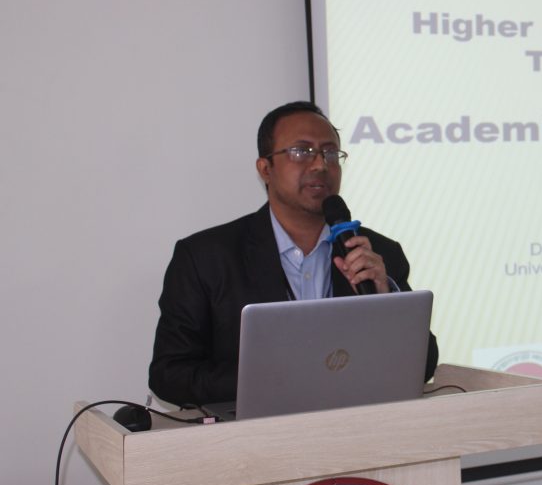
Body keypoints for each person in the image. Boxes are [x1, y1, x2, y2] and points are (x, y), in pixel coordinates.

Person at [149, 101, 438, 407]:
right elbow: (169, 374)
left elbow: (425, 364)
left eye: (330, 153)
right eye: (302, 151)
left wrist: (386, 300)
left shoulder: (378, 253)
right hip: (252, 432)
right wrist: (269, 380)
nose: (320, 165)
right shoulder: (206, 258)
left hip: (356, 427)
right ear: (265, 169)